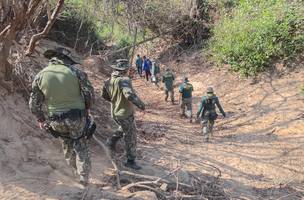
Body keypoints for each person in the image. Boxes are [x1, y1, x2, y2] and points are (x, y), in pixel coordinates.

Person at [29, 47, 95, 186]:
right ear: (66, 60)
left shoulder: (40, 75)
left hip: (55, 120)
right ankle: (83, 178)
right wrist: (88, 108)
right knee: (81, 146)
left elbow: (34, 104)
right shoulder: (75, 72)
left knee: (67, 146)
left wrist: (41, 119)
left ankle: (73, 174)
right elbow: (89, 94)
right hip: (76, 118)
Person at [101, 59, 145, 170]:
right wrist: (141, 104)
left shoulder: (108, 81)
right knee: (130, 136)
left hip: (115, 112)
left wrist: (116, 100)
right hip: (125, 113)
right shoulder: (124, 80)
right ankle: (130, 161)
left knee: (124, 128)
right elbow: (129, 95)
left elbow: (104, 95)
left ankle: (111, 141)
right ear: (125, 69)